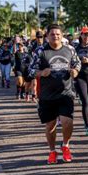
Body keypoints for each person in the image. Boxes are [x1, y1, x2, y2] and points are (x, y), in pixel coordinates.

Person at [28, 24, 81, 164]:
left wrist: (75, 71)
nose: (55, 36)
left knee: (67, 121)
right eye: (52, 34)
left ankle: (65, 146)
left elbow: (77, 63)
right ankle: (52, 151)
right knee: (50, 125)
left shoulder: (69, 49)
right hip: (47, 95)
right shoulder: (41, 51)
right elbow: (31, 70)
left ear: (62, 36)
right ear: (47, 36)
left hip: (66, 92)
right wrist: (41, 73)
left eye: (58, 34)